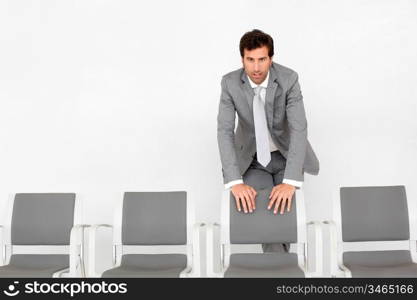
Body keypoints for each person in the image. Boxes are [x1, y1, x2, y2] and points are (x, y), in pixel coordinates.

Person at [217, 29, 319, 252]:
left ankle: (275, 270)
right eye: (250, 60)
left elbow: (299, 128)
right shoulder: (230, 83)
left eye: (262, 59)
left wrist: (291, 181)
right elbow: (224, 131)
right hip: (253, 161)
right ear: (242, 58)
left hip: (286, 157)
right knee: (268, 213)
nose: (256, 67)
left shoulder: (289, 79)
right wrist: (235, 181)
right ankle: (282, 270)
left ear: (271, 58)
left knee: (284, 216)